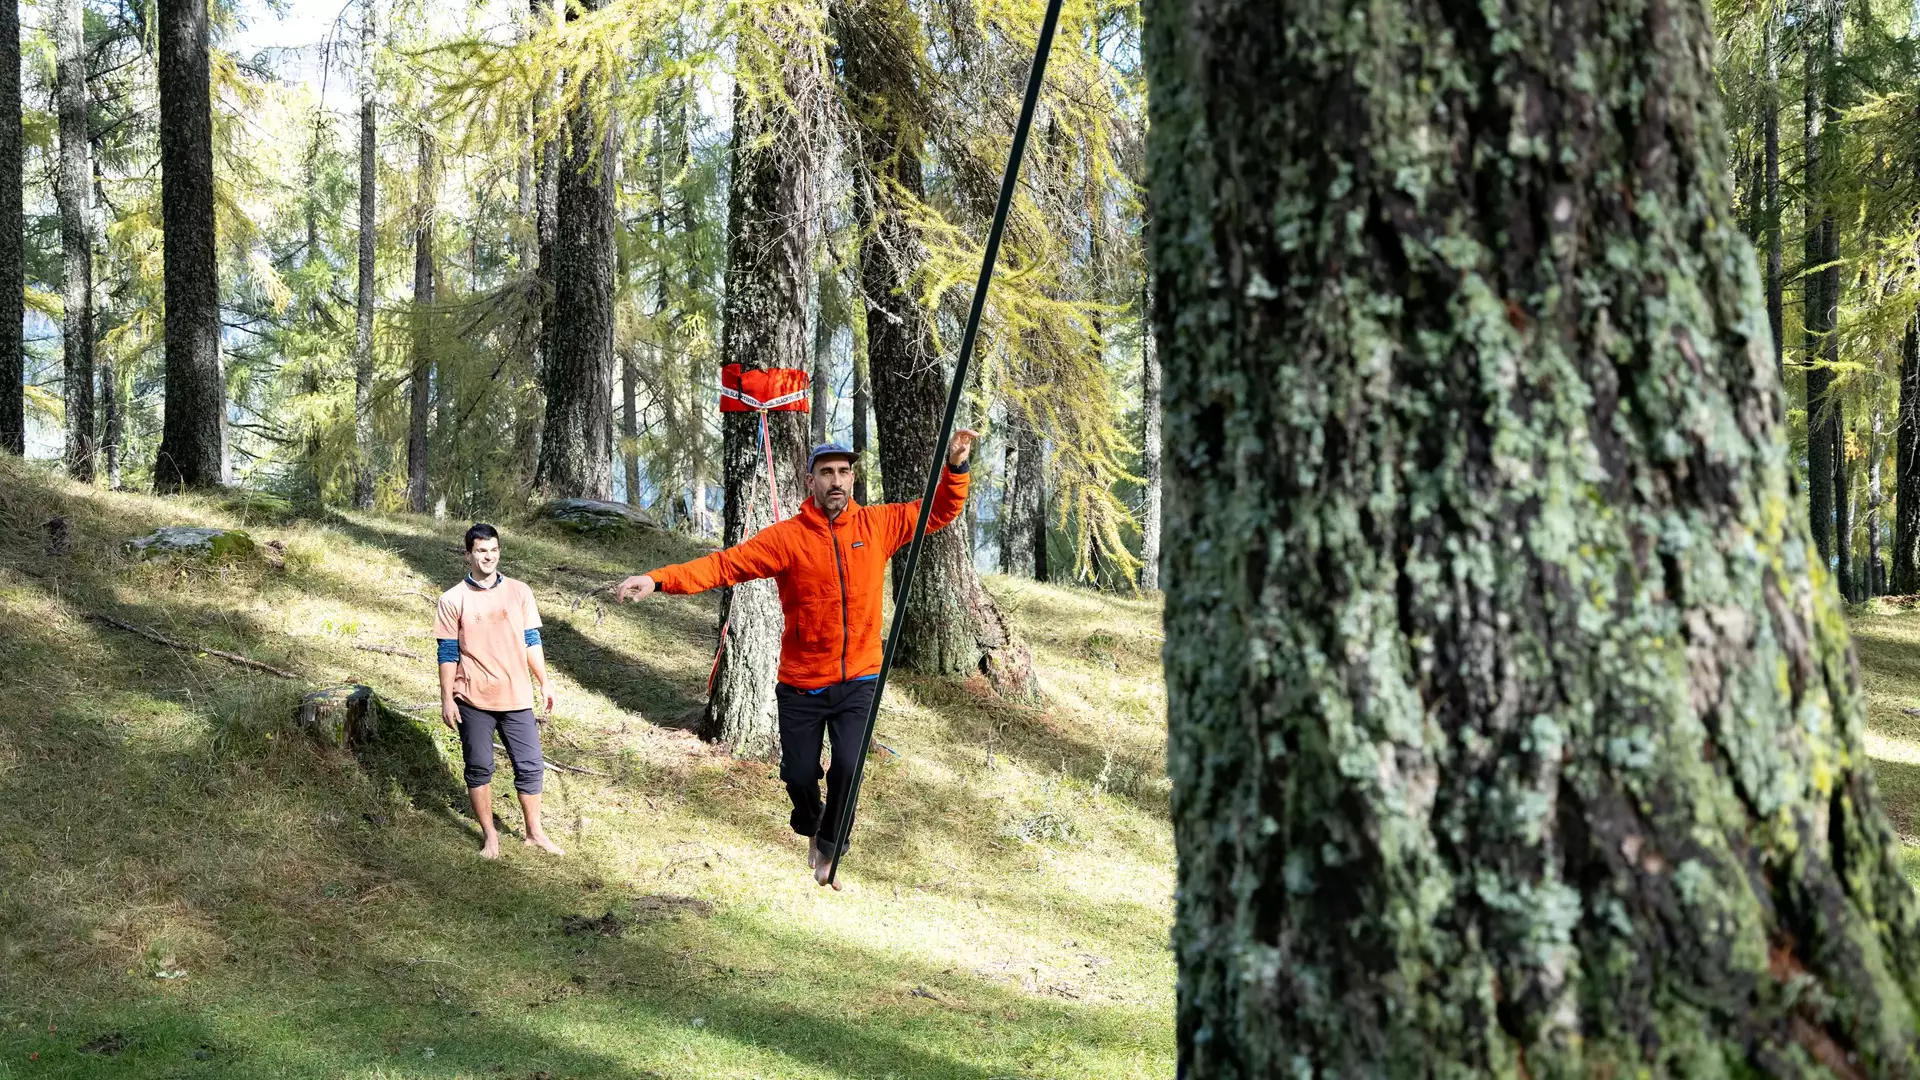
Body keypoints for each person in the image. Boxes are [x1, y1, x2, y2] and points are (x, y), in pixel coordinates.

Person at [615, 432, 977, 888]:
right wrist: (657, 579)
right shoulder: (787, 538)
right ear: (811, 481)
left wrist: (957, 465)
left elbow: (939, 510)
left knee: (848, 766)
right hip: (802, 683)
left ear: (853, 479)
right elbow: (724, 565)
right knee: (799, 775)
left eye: (844, 472)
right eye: (827, 473)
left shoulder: (877, 525)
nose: (837, 481)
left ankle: (830, 846)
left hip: (860, 678)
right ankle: (811, 824)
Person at [435, 523, 564, 859]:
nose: (488, 556)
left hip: (517, 695)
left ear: (499, 552)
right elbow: (447, 653)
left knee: (531, 766)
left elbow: (531, 641)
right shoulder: (452, 599)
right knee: (478, 766)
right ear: (468, 555)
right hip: (473, 697)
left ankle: (534, 833)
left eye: (493, 550)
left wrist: (544, 682)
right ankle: (490, 836)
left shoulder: (520, 592)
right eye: (481, 551)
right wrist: (447, 698)